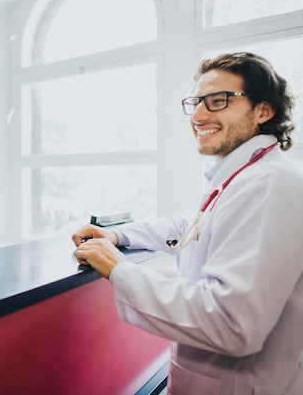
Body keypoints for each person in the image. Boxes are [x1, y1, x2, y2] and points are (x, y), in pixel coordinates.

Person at [71, 52, 303, 395]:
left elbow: (230, 324)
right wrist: (118, 234)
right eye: (195, 102)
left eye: (218, 101)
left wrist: (119, 269)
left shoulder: (268, 185)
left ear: (263, 111)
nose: (197, 115)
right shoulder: (243, 175)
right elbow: (190, 225)